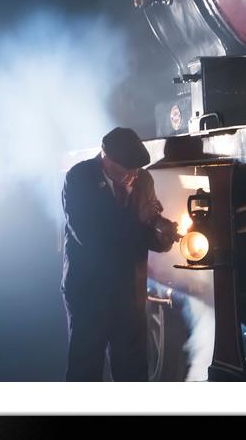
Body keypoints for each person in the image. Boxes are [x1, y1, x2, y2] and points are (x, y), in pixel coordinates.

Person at [60, 127, 180, 381]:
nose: (131, 177)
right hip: (89, 293)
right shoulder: (79, 178)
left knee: (133, 372)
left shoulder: (143, 180)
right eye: (124, 171)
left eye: (135, 171)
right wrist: (137, 219)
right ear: (105, 158)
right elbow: (92, 238)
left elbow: (146, 235)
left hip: (130, 293)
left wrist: (162, 235)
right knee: (85, 371)